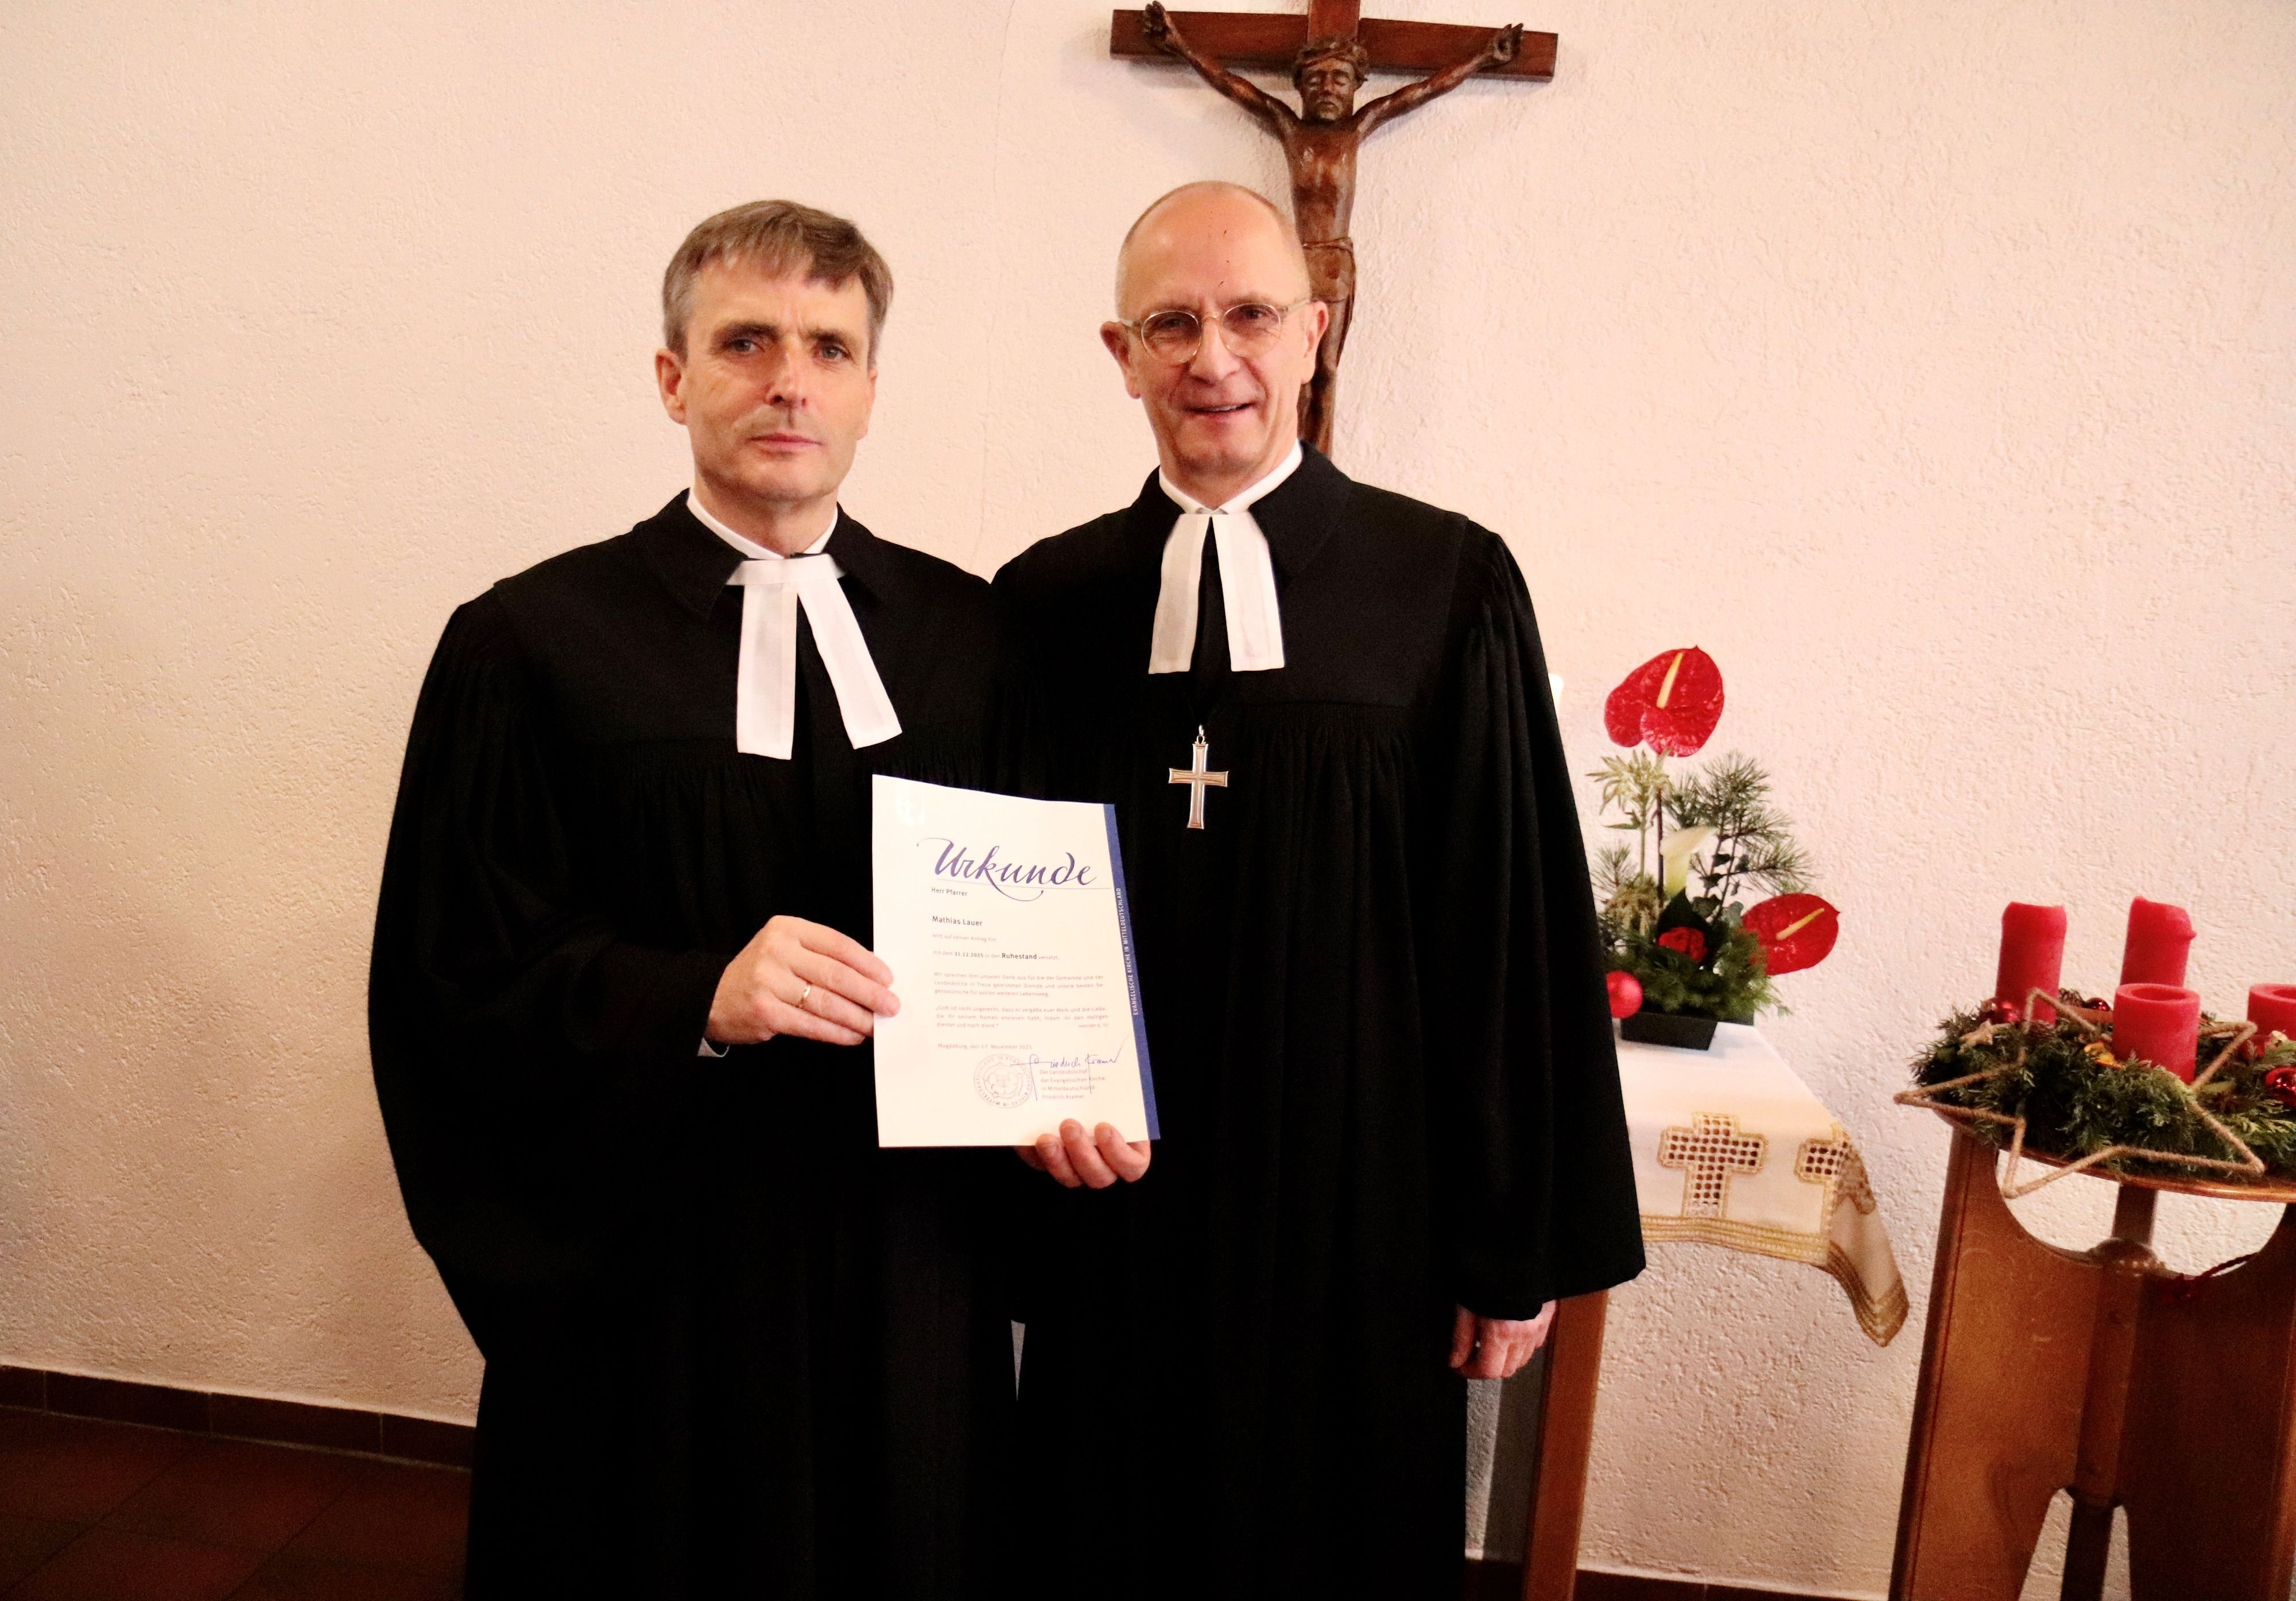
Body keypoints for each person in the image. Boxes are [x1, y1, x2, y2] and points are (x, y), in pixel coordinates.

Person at [993, 181, 1644, 1597]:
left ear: (1315, 333)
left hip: (1362, 1216)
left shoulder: (1443, 583)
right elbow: (987, 912)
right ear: (1118, 353)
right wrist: (1013, 1117)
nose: (1210, 356)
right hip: (1118, 1207)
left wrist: (1508, 1240)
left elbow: (1508, 921)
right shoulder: (1042, 607)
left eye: (1248, 315)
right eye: (1169, 322)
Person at [369, 200, 1011, 1599]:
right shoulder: (529, 642)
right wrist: (693, 999)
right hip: (651, 1266)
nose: (791, 379)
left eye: (829, 348)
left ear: (870, 390)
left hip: (906, 1263)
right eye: (745, 341)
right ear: (672, 378)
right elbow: (449, 973)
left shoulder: (974, 640)